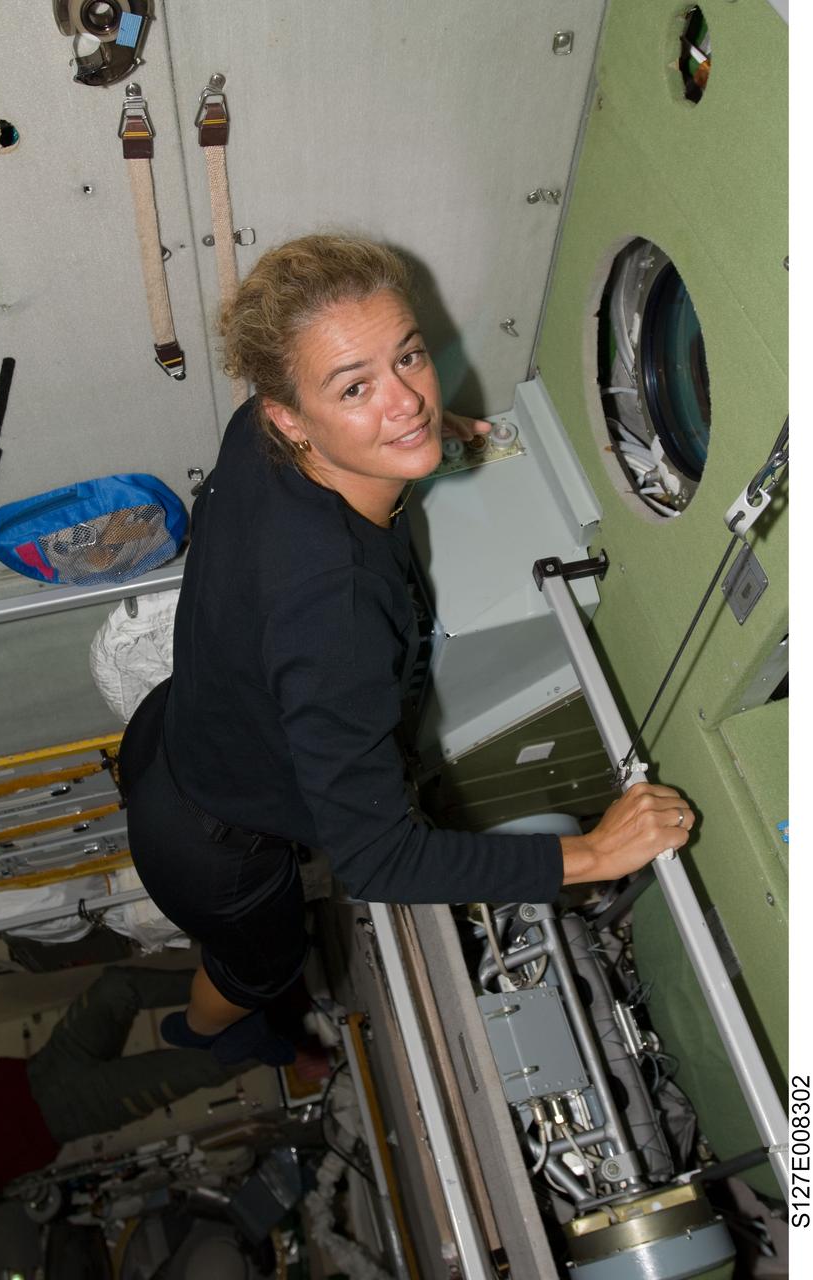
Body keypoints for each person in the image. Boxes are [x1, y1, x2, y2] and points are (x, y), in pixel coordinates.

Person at [122, 233, 695, 1064]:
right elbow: (382, 861)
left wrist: (425, 433)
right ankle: (196, 1038)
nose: (406, 401)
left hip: (176, 730)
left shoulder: (259, 431)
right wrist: (597, 852)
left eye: (410, 359)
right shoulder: (334, 616)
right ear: (292, 416)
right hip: (219, 848)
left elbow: (381, 416)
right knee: (258, 967)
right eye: (356, 388)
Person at [0, 966, 268, 1220]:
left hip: (47, 1065)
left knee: (116, 986)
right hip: (68, 1112)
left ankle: (240, 986)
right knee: (199, 1065)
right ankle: (284, 1024)